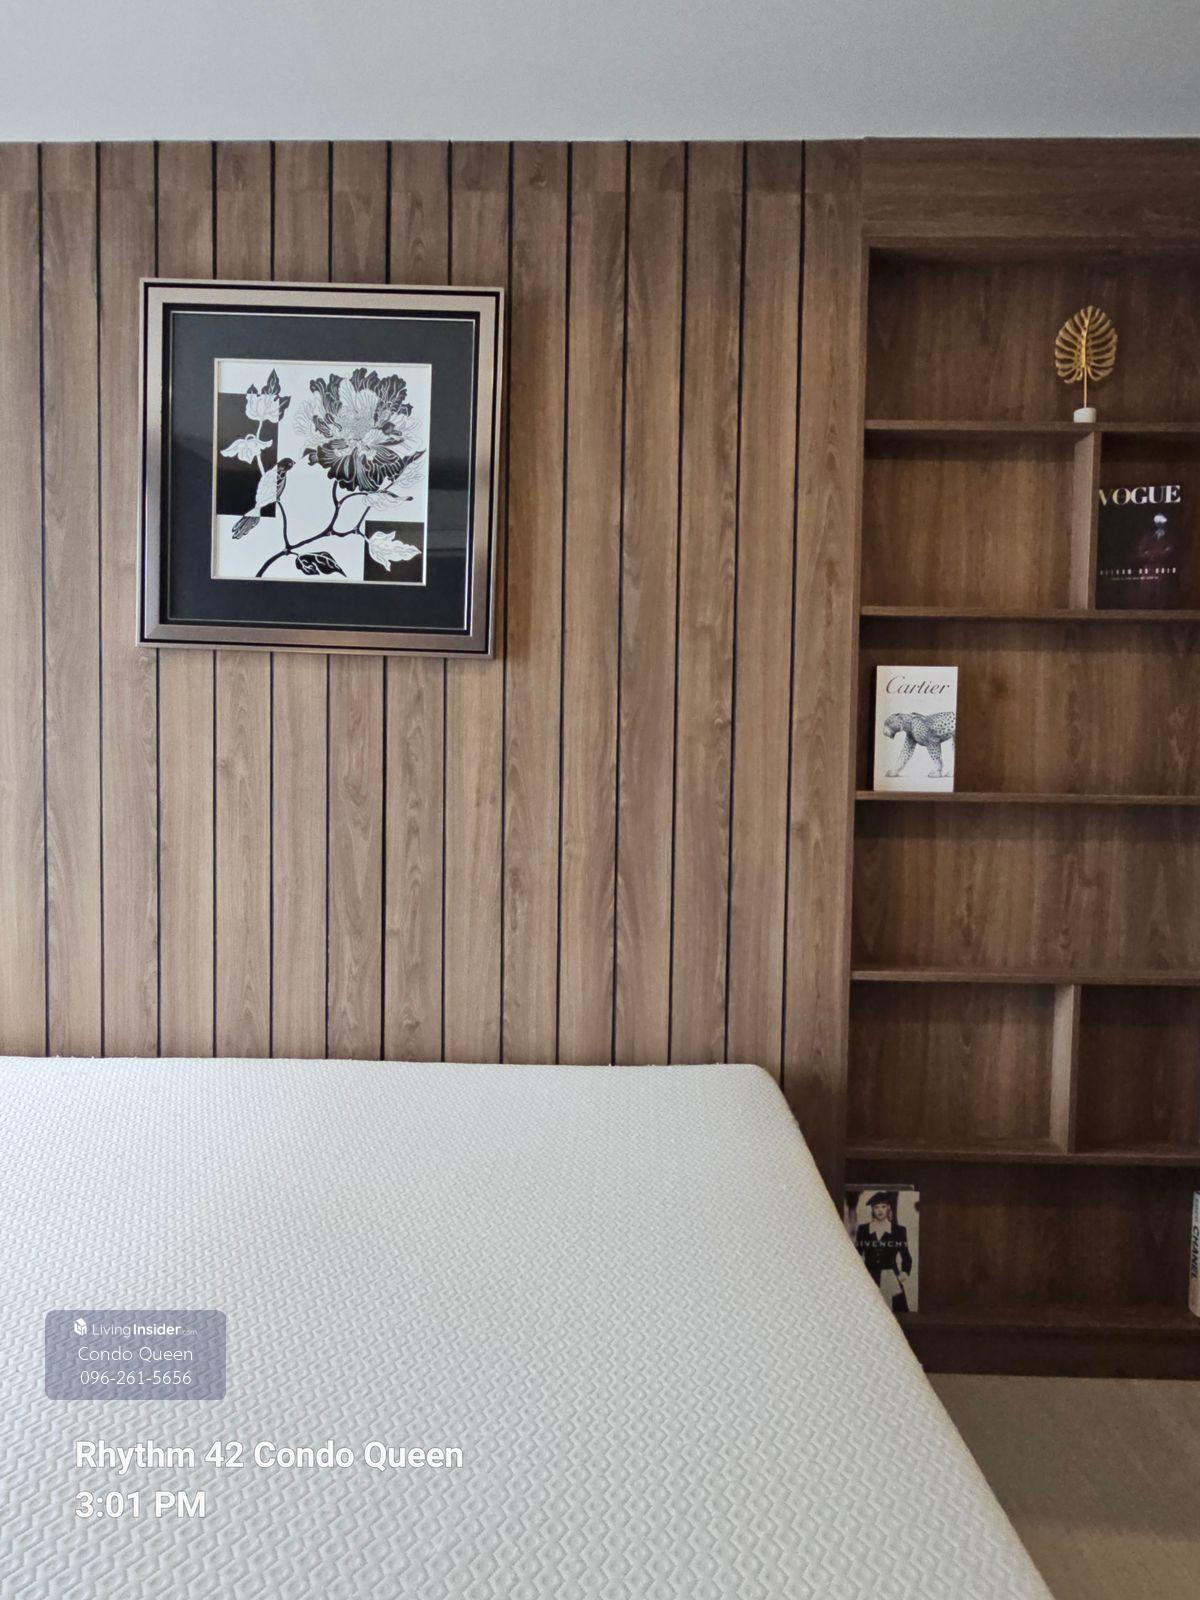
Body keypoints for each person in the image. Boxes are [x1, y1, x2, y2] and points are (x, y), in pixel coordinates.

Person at [854, 1191, 913, 1313]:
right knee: (866, 1312)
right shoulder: (863, 1229)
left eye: (883, 1206)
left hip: (891, 1278)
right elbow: (856, 1255)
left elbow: (906, 1256)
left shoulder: (899, 1230)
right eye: (876, 1207)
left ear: (888, 1208)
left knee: (898, 1314)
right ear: (872, 1209)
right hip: (869, 1278)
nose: (880, 1210)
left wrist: (903, 1273)